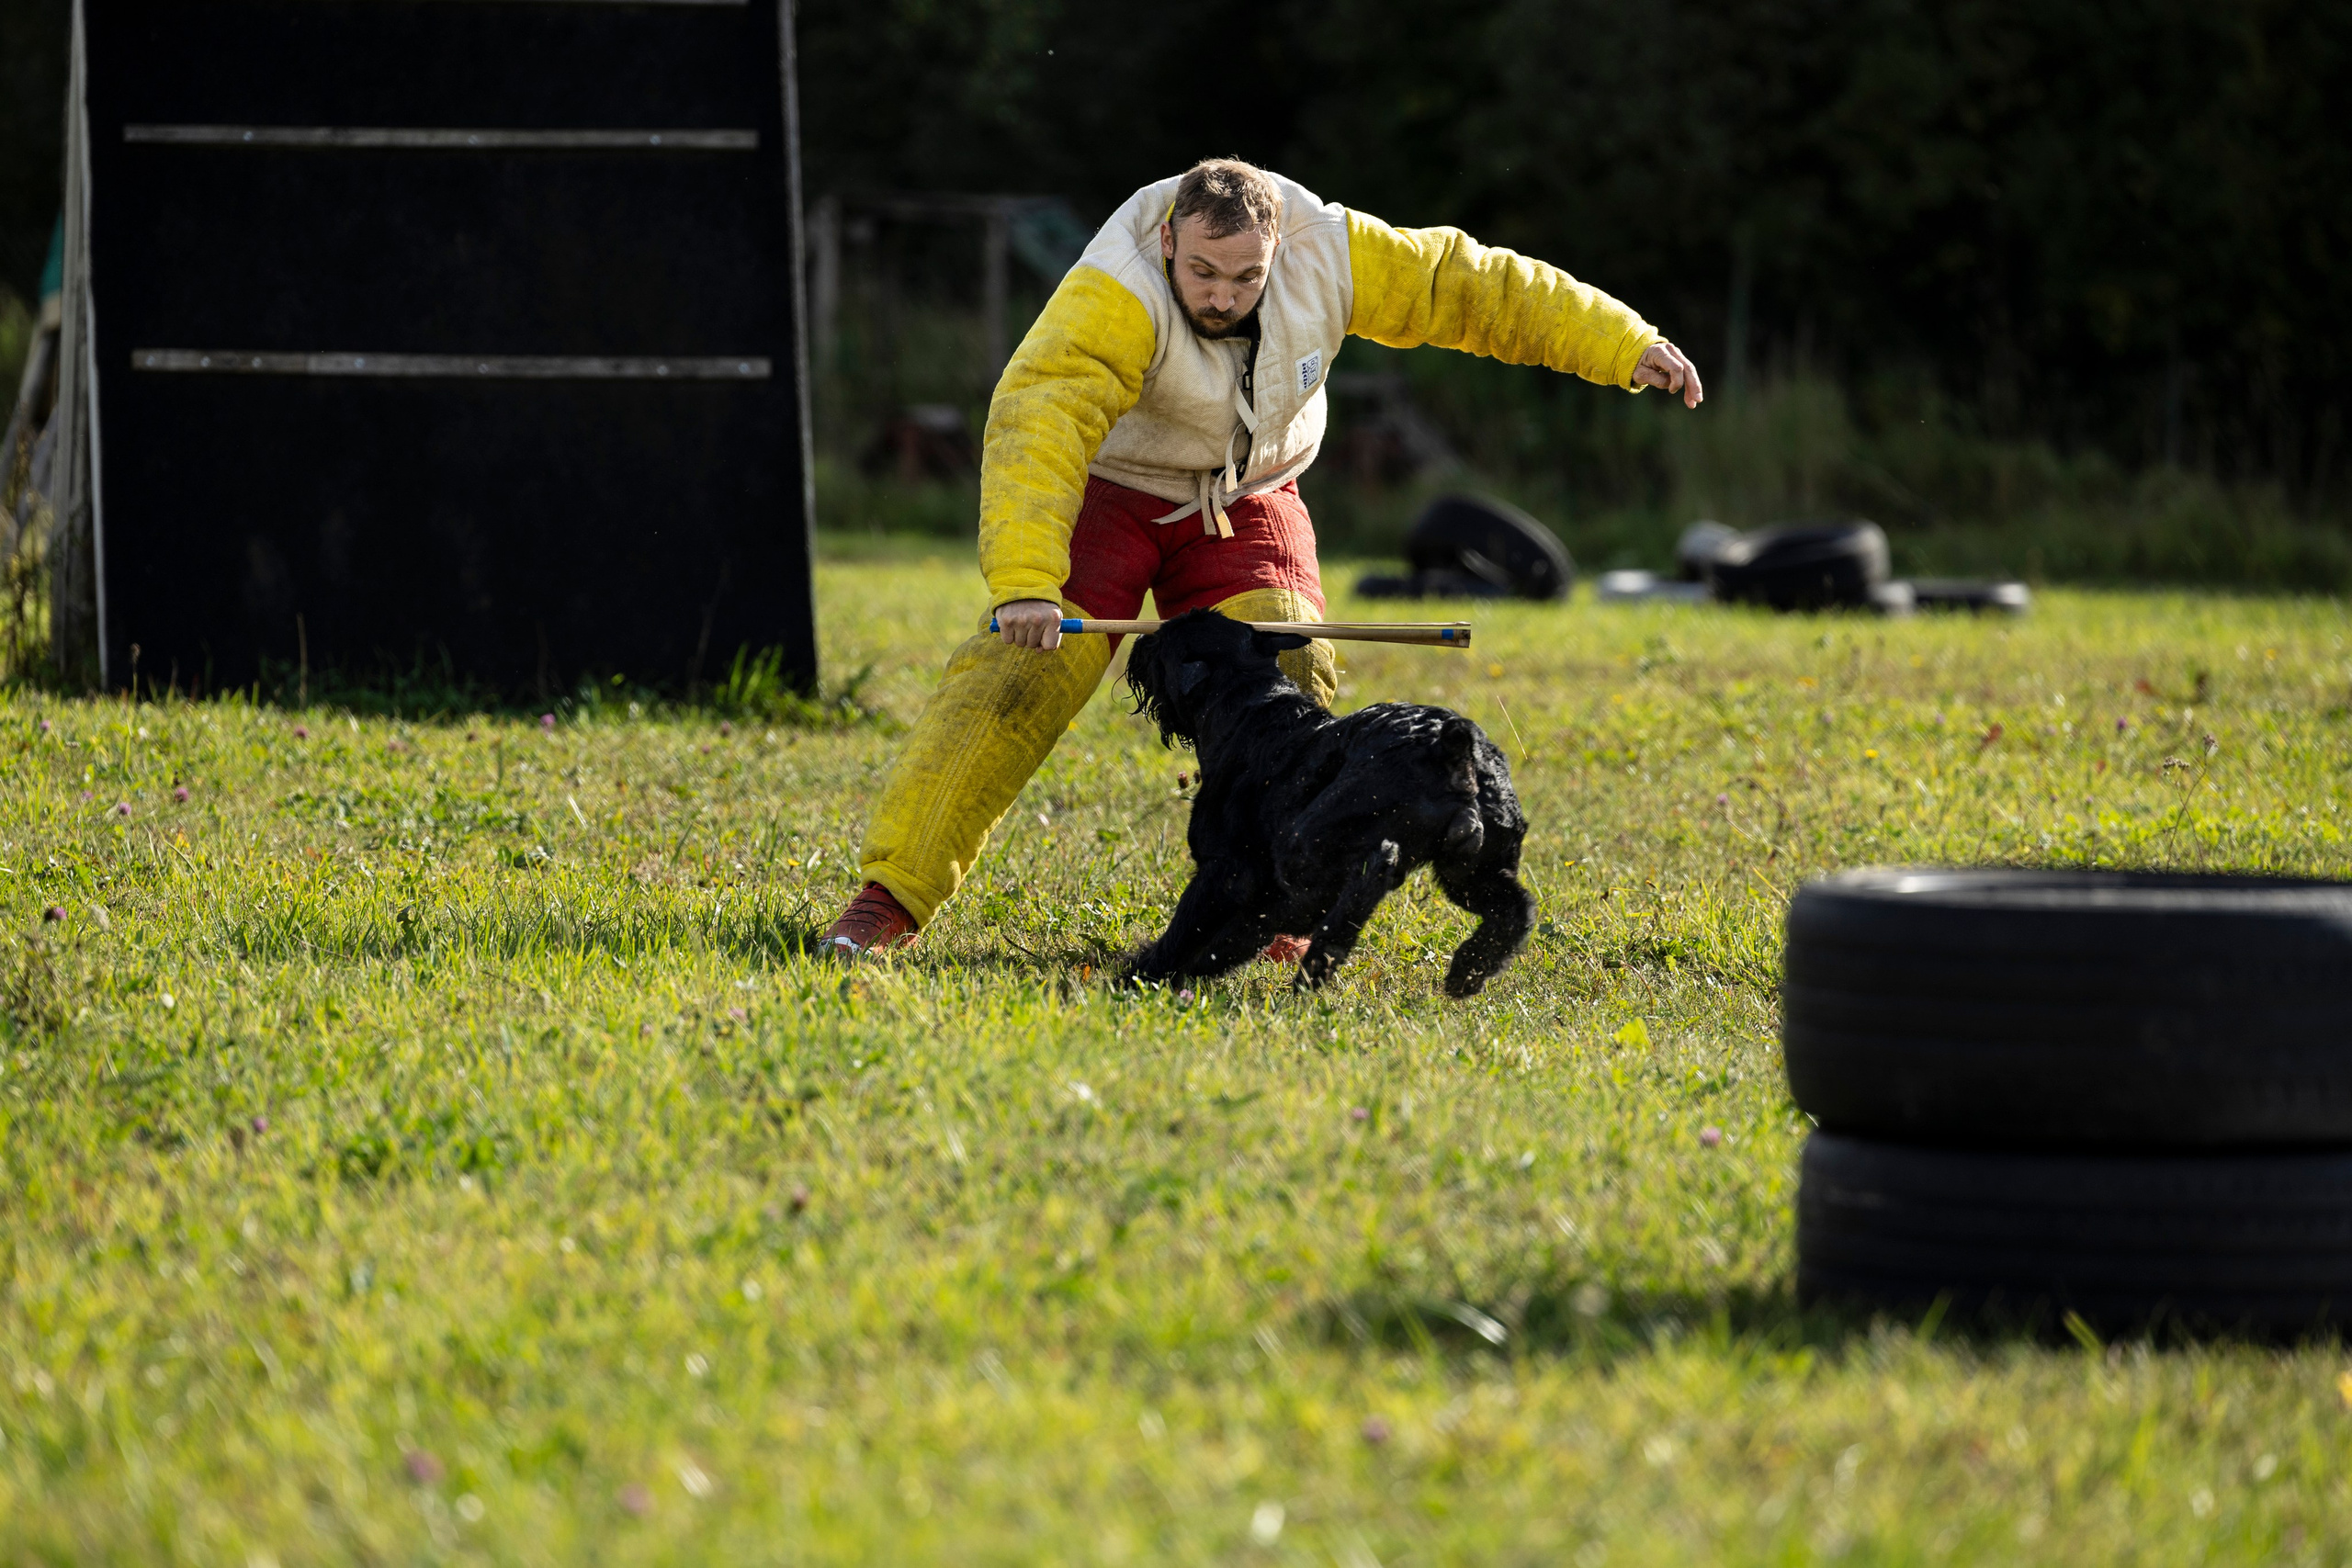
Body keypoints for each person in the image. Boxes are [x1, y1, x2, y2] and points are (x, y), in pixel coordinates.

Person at [820, 157, 1702, 957]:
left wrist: (1624, 344)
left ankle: (1285, 906)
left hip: (1248, 496)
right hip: (1112, 489)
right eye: (1200, 271)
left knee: (1293, 664)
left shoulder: (1331, 249)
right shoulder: (1116, 286)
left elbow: (1467, 284)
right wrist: (1024, 582)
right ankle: (887, 900)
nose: (1219, 295)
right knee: (1019, 676)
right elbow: (1041, 414)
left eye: (1246, 276)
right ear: (1169, 239)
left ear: (1277, 247)